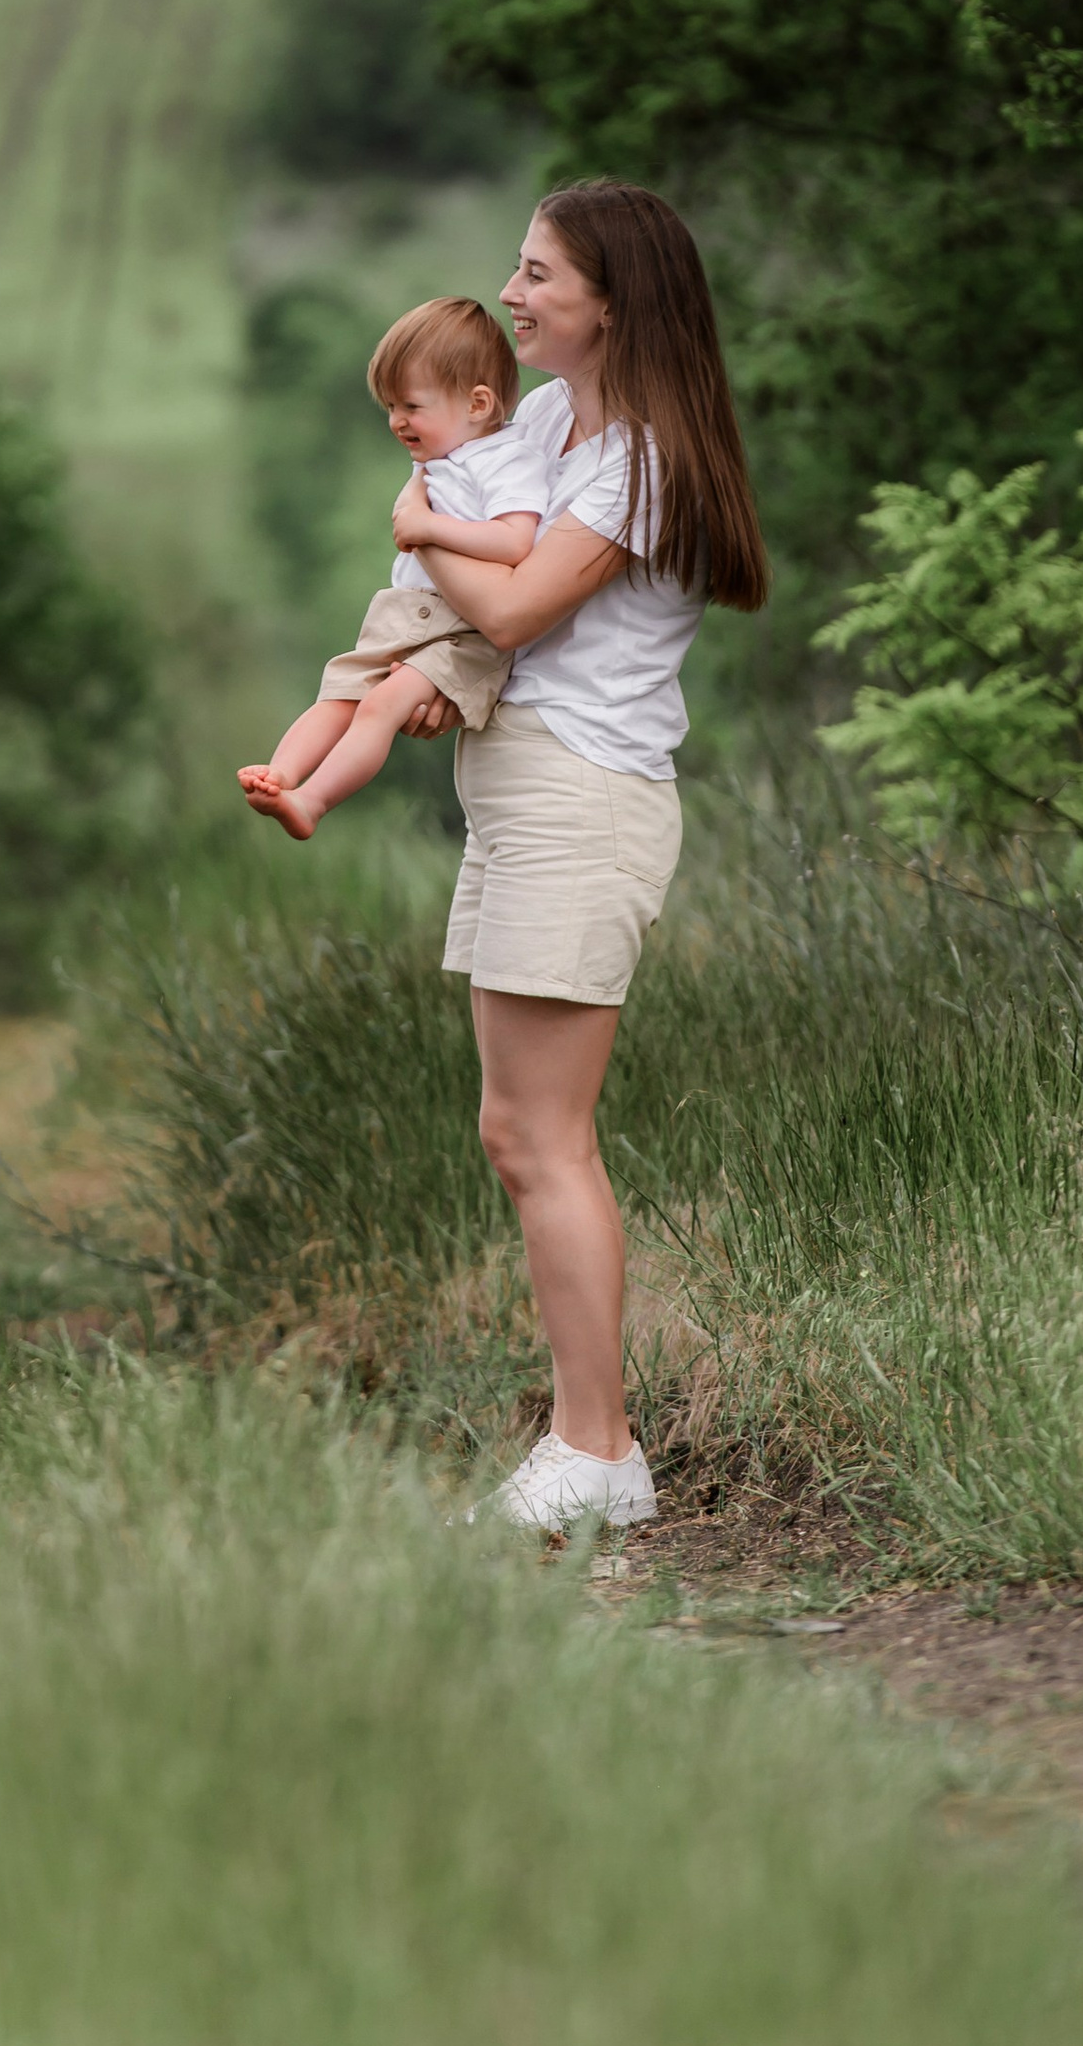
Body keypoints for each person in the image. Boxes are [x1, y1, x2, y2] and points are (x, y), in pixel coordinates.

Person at [389, 185, 768, 1537]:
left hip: (581, 798)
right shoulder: (551, 420)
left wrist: (423, 535)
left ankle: (597, 1451)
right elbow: (476, 580)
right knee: (514, 1132)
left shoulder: (643, 461)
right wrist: (442, 624)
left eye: (540, 273)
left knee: (547, 1137)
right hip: (519, 788)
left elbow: (515, 597)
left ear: (614, 302)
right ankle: (581, 1444)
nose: (514, 292)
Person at [238, 298, 542, 839]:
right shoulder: (443, 455)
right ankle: (281, 775)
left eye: (411, 406)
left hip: (464, 628)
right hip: (407, 613)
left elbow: (515, 542)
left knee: (378, 706)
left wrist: (426, 529)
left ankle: (313, 802)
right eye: (390, 406)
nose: (397, 421)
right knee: (338, 695)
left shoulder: (506, 458)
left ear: (477, 403)